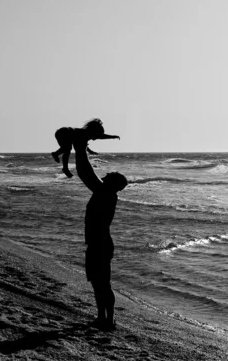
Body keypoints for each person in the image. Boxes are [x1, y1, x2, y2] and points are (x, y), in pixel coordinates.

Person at [73, 136, 127, 331]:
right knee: (97, 283)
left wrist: (79, 149)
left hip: (101, 244)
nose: (103, 176)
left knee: (103, 283)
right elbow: (87, 174)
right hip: (98, 243)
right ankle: (101, 318)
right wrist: (80, 150)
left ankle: (109, 320)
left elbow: (86, 173)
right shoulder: (104, 192)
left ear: (111, 183)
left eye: (107, 176)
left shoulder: (106, 193)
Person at [51, 119, 120, 178]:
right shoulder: (85, 133)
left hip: (61, 132)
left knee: (66, 149)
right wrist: (113, 136)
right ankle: (63, 166)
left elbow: (83, 144)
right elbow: (101, 136)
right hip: (64, 132)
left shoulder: (85, 134)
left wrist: (90, 151)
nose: (95, 139)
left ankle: (58, 157)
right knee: (67, 149)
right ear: (94, 132)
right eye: (96, 136)